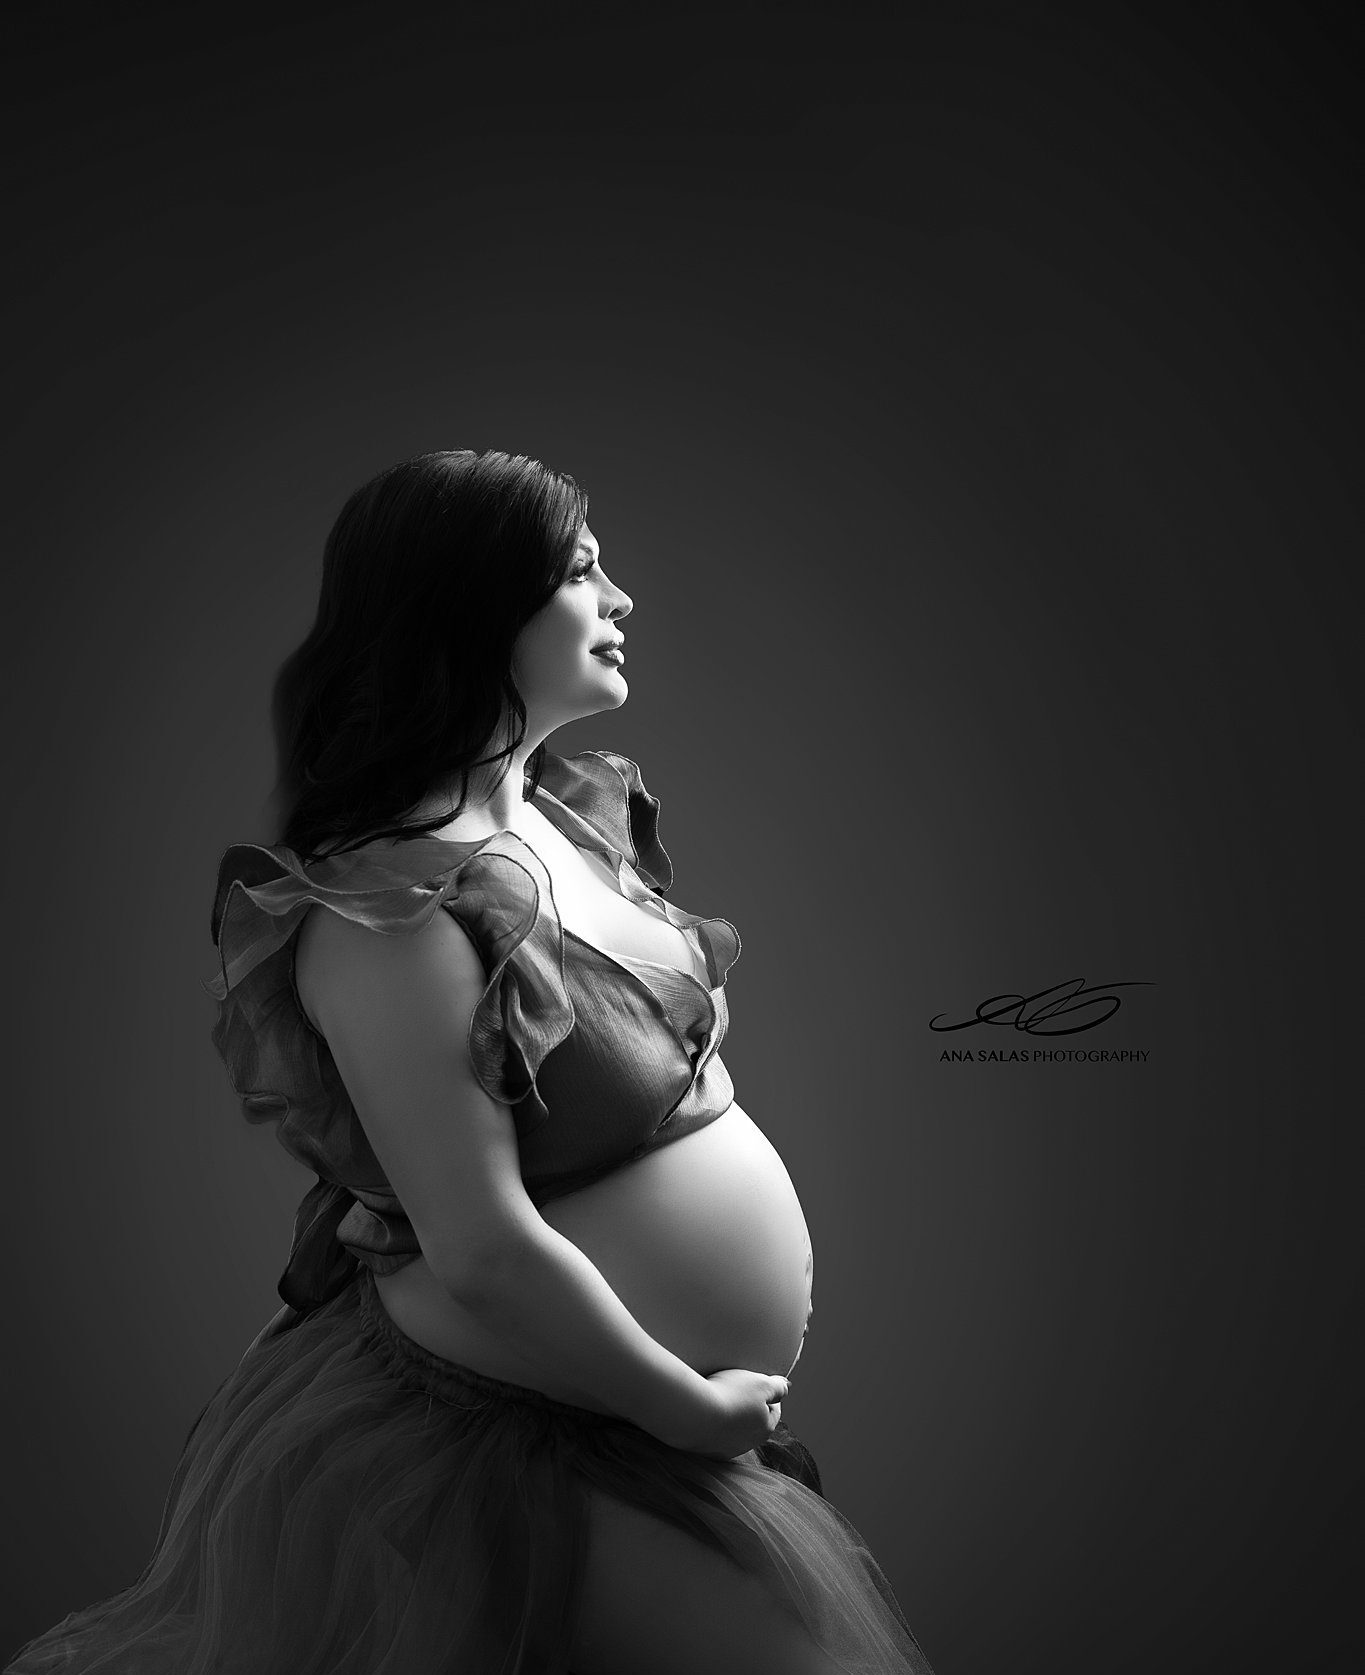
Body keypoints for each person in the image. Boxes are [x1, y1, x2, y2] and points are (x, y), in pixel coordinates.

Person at [5, 450, 937, 1674]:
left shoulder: (560, 821)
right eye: (584, 572)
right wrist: (680, 1403)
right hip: (501, 1442)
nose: (623, 602)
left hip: (613, 1421)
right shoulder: (384, 913)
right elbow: (482, 1244)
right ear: (473, 609)